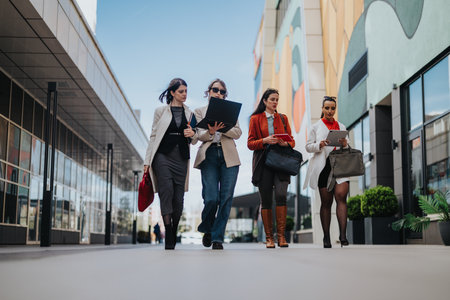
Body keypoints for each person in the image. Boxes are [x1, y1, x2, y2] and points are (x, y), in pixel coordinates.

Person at [143, 78, 197, 250]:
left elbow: (195, 139)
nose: (184, 95)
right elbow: (153, 136)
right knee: (166, 192)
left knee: (178, 199)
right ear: (172, 92)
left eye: (186, 91)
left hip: (181, 157)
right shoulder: (160, 111)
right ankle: (168, 232)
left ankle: (173, 229)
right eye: (181, 91)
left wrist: (192, 134)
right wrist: (147, 161)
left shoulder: (191, 113)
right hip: (162, 156)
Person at [194, 79, 241, 250]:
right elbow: (198, 134)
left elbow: (238, 132)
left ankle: (217, 238)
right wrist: (211, 132)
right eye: (215, 90)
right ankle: (208, 227)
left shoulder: (230, 111)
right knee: (211, 197)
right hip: (209, 155)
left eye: (222, 91)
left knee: (226, 198)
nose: (219, 93)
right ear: (209, 92)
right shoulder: (199, 111)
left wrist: (223, 128)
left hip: (229, 156)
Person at [247, 88, 295, 248]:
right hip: (263, 164)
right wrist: (265, 140)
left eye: (277, 100)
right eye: (272, 99)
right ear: (265, 101)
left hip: (281, 163)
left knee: (281, 195)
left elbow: (292, 141)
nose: (275, 102)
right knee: (266, 200)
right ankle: (269, 238)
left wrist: (285, 143)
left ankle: (281, 237)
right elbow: (250, 144)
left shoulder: (283, 118)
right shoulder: (255, 119)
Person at [303, 96, 349, 248]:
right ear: (322, 109)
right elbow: (308, 146)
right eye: (327, 108)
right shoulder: (315, 127)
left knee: (342, 197)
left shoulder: (341, 126)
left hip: (340, 165)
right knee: (326, 202)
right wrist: (319, 145)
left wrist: (345, 144)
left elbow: (348, 148)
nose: (330, 111)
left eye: (332, 108)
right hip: (324, 167)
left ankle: (343, 236)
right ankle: (326, 237)